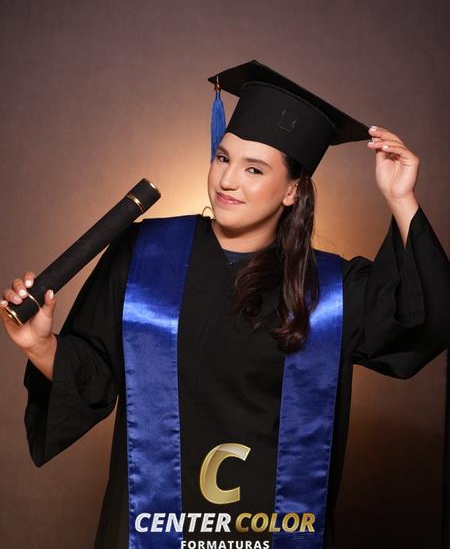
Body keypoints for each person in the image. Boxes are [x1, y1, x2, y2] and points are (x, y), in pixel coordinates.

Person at [1, 59, 449, 549]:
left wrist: (401, 198)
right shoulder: (145, 254)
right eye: (222, 158)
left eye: (254, 168)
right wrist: (40, 345)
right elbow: (95, 374)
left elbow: (423, 321)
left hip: (274, 532)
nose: (227, 180)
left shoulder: (330, 289)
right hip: (152, 529)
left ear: (292, 190)